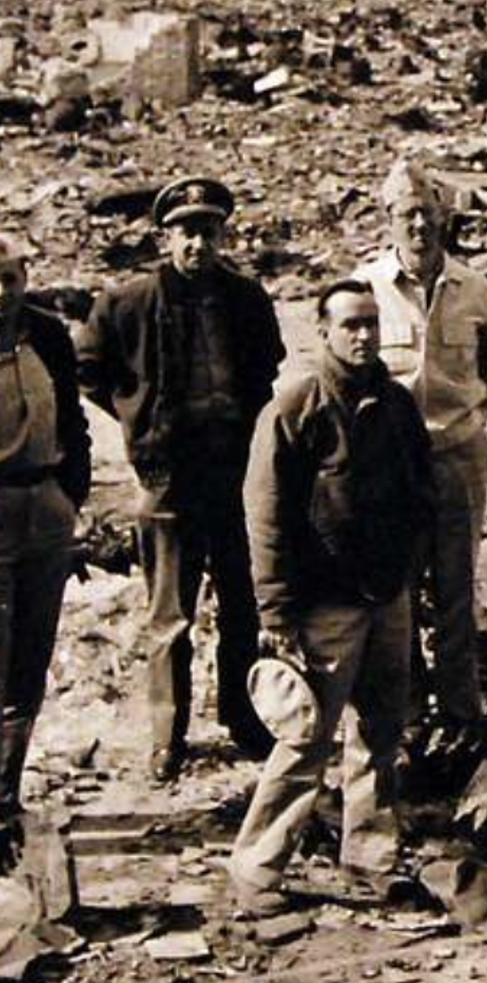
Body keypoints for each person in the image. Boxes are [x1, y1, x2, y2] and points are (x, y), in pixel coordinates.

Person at [228, 280, 436, 915]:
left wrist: (413, 574)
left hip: (387, 595)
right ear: (322, 331)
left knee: (381, 732)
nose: (364, 335)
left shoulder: (396, 404)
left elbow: (421, 492)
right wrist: (277, 613)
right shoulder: (296, 407)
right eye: (350, 324)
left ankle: (370, 857)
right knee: (306, 739)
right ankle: (257, 868)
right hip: (326, 604)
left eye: (371, 322)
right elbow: (265, 515)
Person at [77, 178, 284, 781]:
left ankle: (244, 718)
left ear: (223, 235)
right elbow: (88, 368)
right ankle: (167, 735)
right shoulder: (130, 302)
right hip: (169, 474)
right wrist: (136, 417)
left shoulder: (245, 299)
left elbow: (267, 366)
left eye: (208, 231)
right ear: (165, 237)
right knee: (170, 614)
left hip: (235, 473)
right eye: (186, 232)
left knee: (242, 603)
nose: (198, 243)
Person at [356, 160, 487, 748]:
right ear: (389, 220)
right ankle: (409, 712)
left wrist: (471, 419)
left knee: (456, 590)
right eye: (407, 216)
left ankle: (462, 715)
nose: (419, 226)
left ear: (444, 217)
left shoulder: (474, 288)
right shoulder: (367, 287)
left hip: (456, 458)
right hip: (393, 467)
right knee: (397, 592)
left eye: (428, 214)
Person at [0, 233, 90, 866]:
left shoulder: (48, 336)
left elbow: (75, 421)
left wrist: (69, 493)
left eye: (9, 277)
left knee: (29, 662)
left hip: (46, 509)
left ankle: (6, 799)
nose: (0, 291)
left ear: (26, 277)